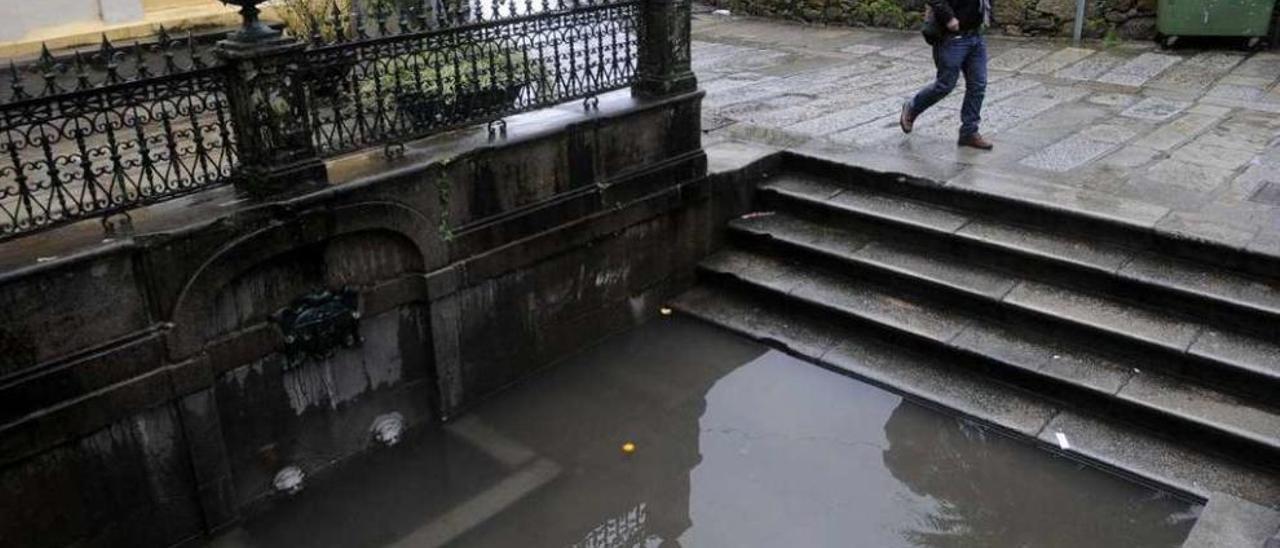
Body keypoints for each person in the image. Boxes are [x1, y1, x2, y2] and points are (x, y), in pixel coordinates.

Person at [899, 0, 993, 150]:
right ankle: (912, 107)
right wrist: (949, 18)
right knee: (945, 85)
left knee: (978, 85)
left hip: (976, 35)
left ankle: (969, 132)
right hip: (952, 37)